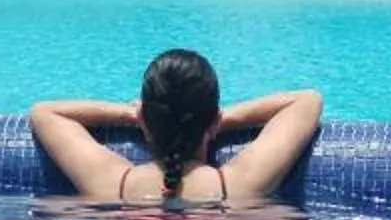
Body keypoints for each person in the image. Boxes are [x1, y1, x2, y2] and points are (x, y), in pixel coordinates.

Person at [28, 50, 322, 207]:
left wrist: (130, 113)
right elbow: (307, 101)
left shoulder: (112, 183)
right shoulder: (238, 185)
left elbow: (45, 113)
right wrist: (220, 120)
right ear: (214, 121)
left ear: (144, 119)